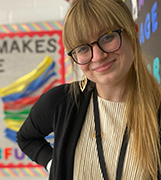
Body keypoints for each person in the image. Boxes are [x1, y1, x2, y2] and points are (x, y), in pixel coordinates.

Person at [17, 0, 161, 179]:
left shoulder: (156, 110)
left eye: (108, 37)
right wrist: (53, 163)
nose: (98, 56)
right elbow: (25, 138)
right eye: (83, 48)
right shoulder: (60, 102)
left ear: (133, 35)